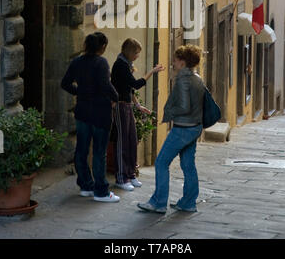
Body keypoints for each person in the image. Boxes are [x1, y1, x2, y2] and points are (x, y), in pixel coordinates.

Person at [137, 44, 205, 213]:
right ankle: (188, 202)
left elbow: (184, 107)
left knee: (161, 162)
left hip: (183, 128)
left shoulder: (182, 80)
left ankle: (158, 203)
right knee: (188, 165)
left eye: (175, 60)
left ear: (182, 62)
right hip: (195, 127)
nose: (173, 63)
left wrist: (168, 112)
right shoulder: (197, 78)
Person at [61, 32, 120, 203]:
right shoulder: (101, 62)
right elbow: (105, 85)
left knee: (82, 149)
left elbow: (65, 83)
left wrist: (80, 92)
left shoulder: (77, 62)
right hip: (100, 112)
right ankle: (101, 191)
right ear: (102, 47)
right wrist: (115, 97)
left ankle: (86, 185)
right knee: (99, 152)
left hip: (83, 111)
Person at [111, 38, 164, 191]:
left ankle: (130, 174)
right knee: (122, 142)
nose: (137, 56)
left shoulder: (126, 64)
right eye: (136, 53)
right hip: (120, 106)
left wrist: (138, 105)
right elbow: (135, 84)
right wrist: (152, 72)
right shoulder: (120, 65)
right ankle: (121, 177)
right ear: (129, 52)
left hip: (127, 106)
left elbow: (130, 89)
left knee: (131, 140)